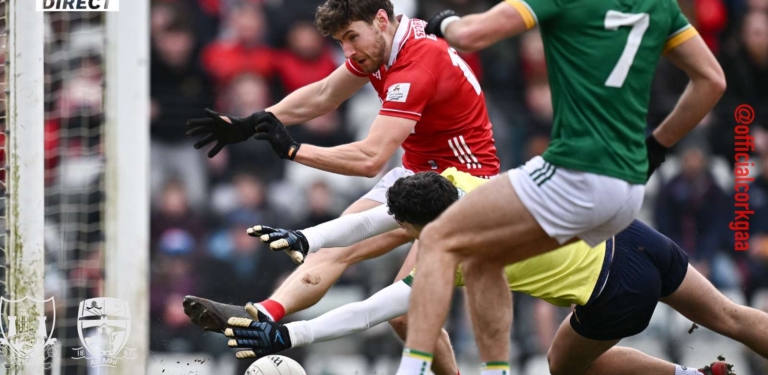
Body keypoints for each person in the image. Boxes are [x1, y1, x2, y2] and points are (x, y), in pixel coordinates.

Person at [396, 0, 727, 373]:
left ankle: (414, 370)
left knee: (439, 236)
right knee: (484, 258)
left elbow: (472, 35)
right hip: (628, 189)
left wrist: (445, 22)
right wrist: (658, 145)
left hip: (577, 172)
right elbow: (712, 81)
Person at [183, 0, 500, 358]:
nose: (348, 51)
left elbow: (370, 159)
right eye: (340, 42)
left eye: (352, 37)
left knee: (401, 313)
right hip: (417, 174)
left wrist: (294, 150)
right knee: (335, 250)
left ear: (381, 19)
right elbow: (323, 95)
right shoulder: (382, 47)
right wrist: (251, 123)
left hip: (463, 189)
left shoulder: (417, 63)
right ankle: (263, 316)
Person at [222, 170, 761, 375]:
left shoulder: (456, 254)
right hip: (633, 237)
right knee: (728, 316)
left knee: (565, 366)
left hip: (614, 290)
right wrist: (311, 238)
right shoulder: (463, 181)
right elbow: (378, 218)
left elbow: (377, 309)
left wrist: (292, 332)